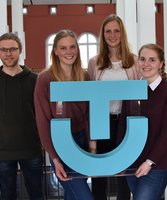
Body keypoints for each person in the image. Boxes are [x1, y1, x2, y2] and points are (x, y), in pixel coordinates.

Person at [0, 33, 44, 200]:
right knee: (7, 196)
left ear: (20, 50)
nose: (8, 53)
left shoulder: (35, 80)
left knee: (36, 194)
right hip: (3, 152)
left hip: (31, 149)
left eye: (13, 49)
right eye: (4, 50)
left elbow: (42, 112)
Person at [34, 29, 93, 200]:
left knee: (73, 194)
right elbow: (43, 121)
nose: (69, 52)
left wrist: (91, 146)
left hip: (82, 141)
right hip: (60, 143)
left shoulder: (85, 76)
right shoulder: (45, 79)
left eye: (72, 47)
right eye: (63, 48)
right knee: (84, 196)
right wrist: (54, 158)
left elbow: (90, 115)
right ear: (55, 51)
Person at [118, 44, 167, 200]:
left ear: (161, 64)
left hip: (156, 165)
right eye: (143, 59)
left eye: (152, 60)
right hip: (132, 162)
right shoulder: (131, 89)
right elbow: (122, 126)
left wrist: (149, 162)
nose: (146, 64)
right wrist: (120, 159)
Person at [87, 14, 139, 200]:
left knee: (124, 172)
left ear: (122, 33)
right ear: (103, 34)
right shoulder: (95, 62)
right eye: (108, 31)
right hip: (102, 120)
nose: (112, 35)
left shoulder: (134, 61)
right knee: (99, 172)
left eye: (116, 30)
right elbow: (91, 96)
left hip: (125, 122)